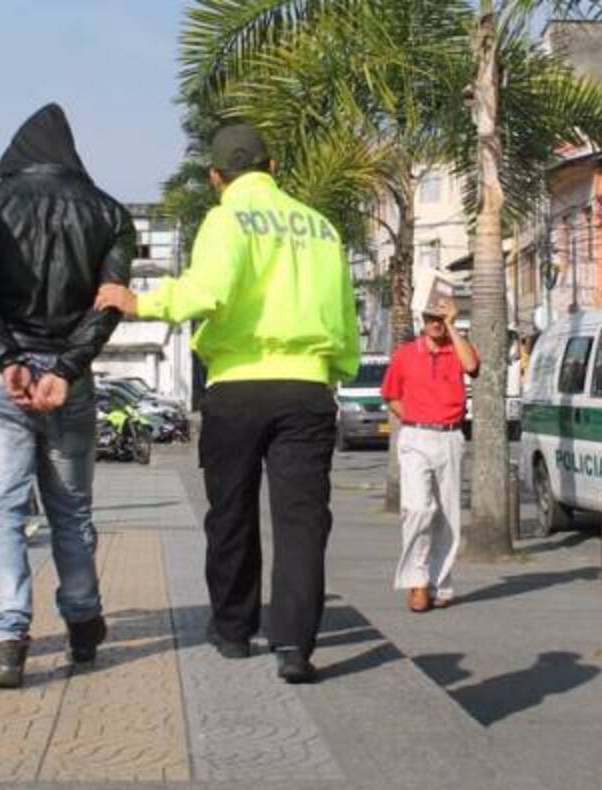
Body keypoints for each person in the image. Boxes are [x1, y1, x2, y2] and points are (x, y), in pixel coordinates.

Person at [95, 124, 359, 684]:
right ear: (274, 167)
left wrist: (137, 301)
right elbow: (343, 312)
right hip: (307, 385)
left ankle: (235, 630)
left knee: (232, 512)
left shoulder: (226, 218)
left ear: (216, 177)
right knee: (302, 521)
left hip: (237, 385)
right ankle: (293, 645)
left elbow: (204, 291)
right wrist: (332, 373)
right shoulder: (319, 226)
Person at [0, 103, 135, 689]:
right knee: (72, 510)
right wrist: (70, 367)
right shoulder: (108, 212)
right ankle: (82, 623)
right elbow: (110, 299)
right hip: (70, 381)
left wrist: (7, 359)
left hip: (9, 381)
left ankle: (6, 642)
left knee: (3, 512)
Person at [381, 296, 479, 613]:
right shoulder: (406, 355)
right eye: (430, 318)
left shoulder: (456, 348)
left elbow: (473, 366)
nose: (435, 323)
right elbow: (391, 395)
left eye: (440, 317)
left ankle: (440, 582)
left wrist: (453, 325)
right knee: (417, 508)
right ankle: (417, 581)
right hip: (415, 436)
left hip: (450, 436)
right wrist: (415, 417)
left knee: (447, 515)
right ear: (421, 320)